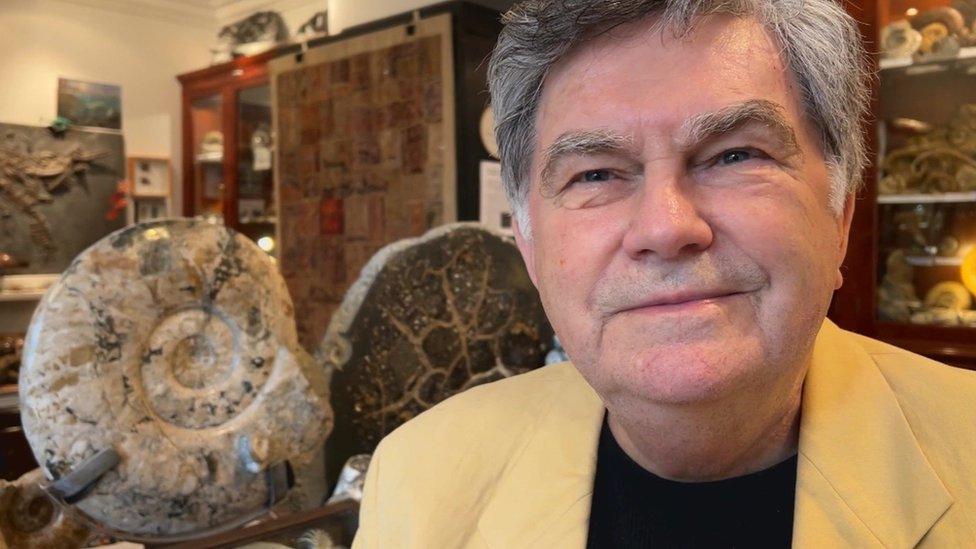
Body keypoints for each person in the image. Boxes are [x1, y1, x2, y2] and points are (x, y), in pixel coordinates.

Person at [352, 0, 976, 546]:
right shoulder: (419, 477)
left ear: (839, 215)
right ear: (530, 245)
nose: (665, 227)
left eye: (735, 155)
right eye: (595, 174)